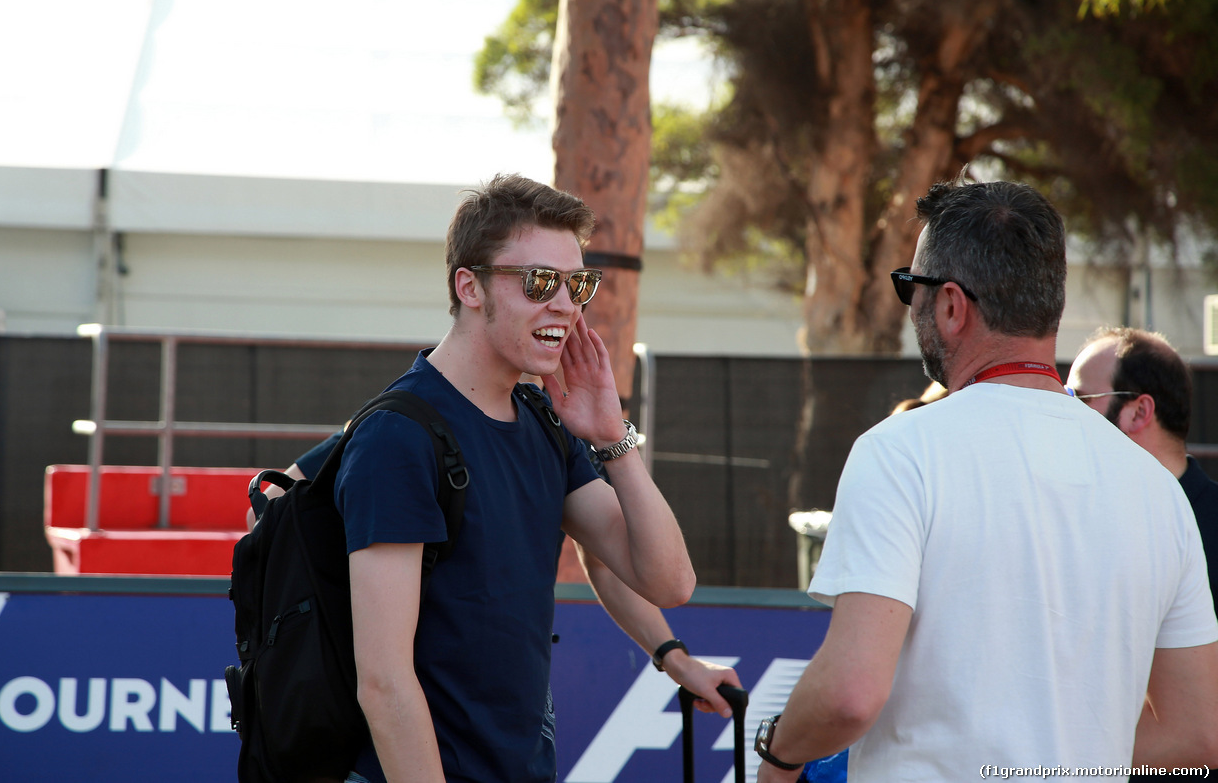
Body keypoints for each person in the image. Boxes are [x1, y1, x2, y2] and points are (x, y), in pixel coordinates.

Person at [754, 175, 1218, 782]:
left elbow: (849, 692)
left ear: (950, 304)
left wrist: (776, 758)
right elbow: (1196, 737)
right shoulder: (1158, 490)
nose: (910, 306)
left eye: (910, 287)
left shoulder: (900, 452)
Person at [296, 174, 720, 783]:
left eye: (577, 285)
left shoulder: (543, 420)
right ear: (469, 286)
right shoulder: (400, 439)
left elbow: (668, 580)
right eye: (540, 283)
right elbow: (385, 683)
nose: (566, 306)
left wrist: (612, 438)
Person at [1067, 327, 1218, 612]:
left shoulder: (1208, 528)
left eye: (1080, 399)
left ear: (1138, 412)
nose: (1066, 412)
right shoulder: (1078, 518)